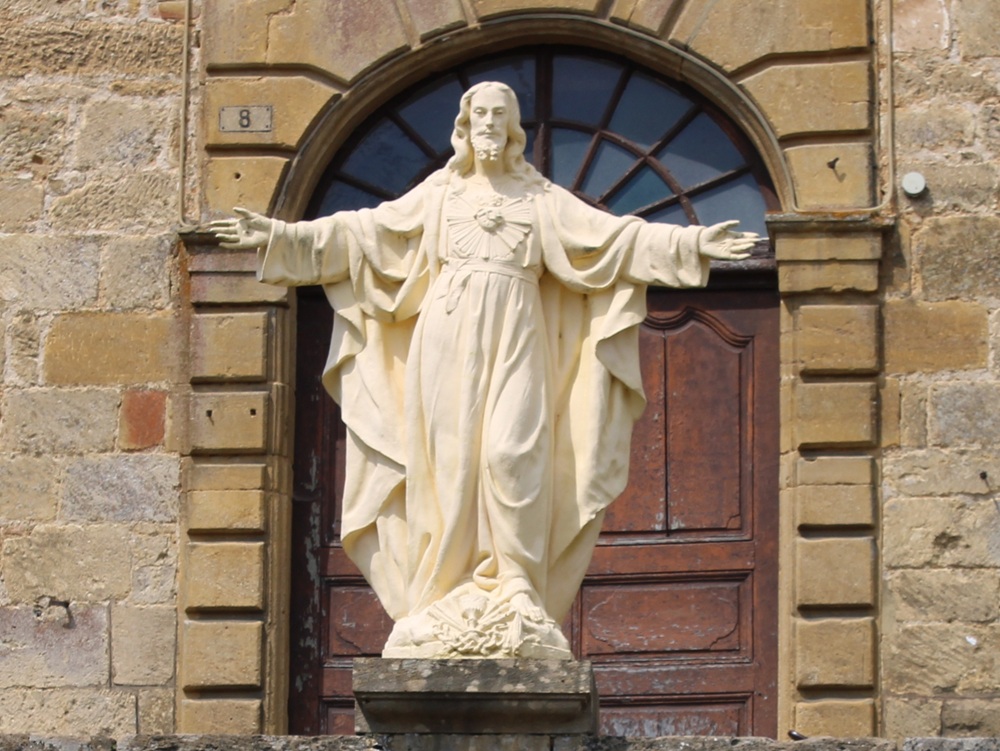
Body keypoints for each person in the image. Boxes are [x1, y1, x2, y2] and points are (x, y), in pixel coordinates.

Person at [214, 82, 757, 658]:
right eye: (481, 114)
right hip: (446, 335)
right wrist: (279, 236)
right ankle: (439, 592)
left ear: (514, 126)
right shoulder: (440, 194)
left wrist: (693, 244)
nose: (490, 123)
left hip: (518, 335)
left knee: (512, 453)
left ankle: (518, 585)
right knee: (448, 461)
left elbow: (614, 240)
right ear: (466, 126)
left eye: (501, 114)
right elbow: (361, 233)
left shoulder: (538, 197)